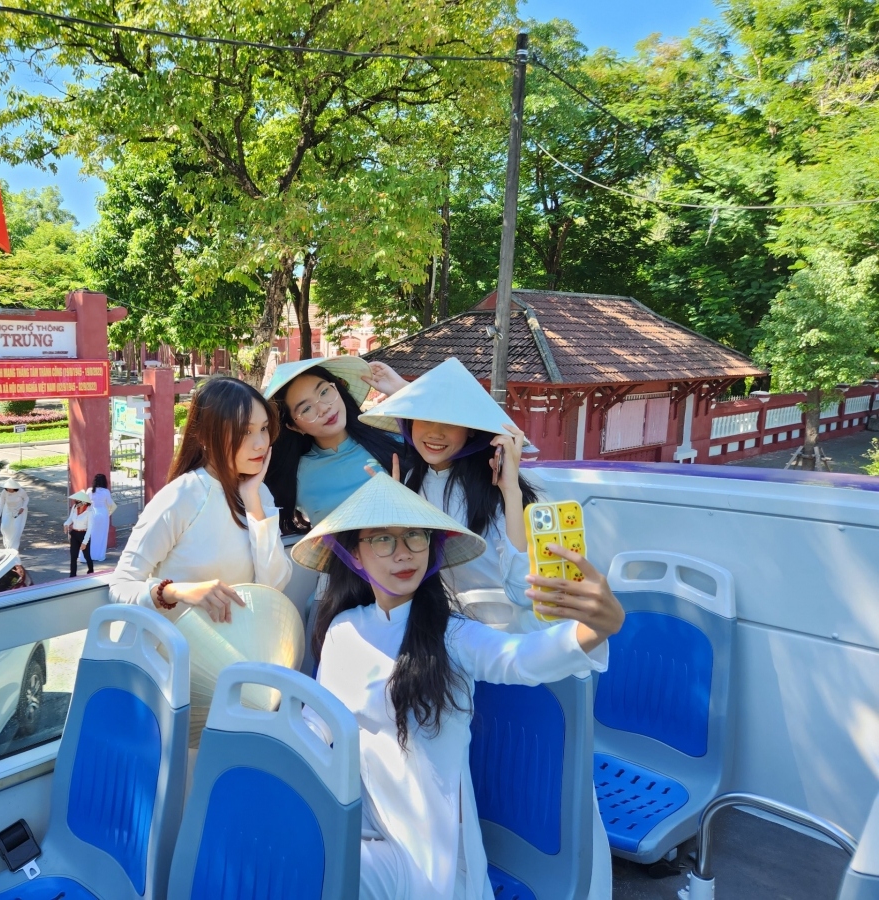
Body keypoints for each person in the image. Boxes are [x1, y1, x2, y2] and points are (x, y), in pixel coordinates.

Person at [292, 473, 624, 900]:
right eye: (382, 539)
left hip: (429, 855)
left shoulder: (452, 636)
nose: (403, 552)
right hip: (361, 825)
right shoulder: (342, 631)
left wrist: (594, 630)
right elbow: (316, 730)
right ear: (354, 554)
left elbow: (519, 659)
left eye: (415, 535)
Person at [360, 357, 540, 628]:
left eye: (450, 423)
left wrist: (511, 491)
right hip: (442, 624)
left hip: (509, 633)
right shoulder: (410, 479)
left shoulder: (496, 487)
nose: (436, 433)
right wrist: (393, 508)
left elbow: (523, 592)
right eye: (424, 420)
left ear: (470, 430)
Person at [106, 376, 291, 622]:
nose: (260, 444)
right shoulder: (181, 497)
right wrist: (176, 591)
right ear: (205, 436)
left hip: (239, 652)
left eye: (264, 428)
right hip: (175, 654)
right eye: (245, 431)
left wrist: (252, 500)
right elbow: (121, 585)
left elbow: (274, 586)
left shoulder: (258, 493)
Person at [262, 356, 409, 534]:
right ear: (293, 426)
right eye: (306, 409)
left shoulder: (396, 441)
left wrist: (404, 390)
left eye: (324, 392)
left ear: (338, 388)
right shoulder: (294, 476)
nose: (324, 408)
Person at [85, 473, 117, 562]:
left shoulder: (89, 490)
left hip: (92, 513)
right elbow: (110, 504)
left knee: (90, 534)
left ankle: (88, 555)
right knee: (102, 535)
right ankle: (99, 555)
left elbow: (85, 503)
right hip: (103, 513)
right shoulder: (106, 492)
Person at [63, 490, 95, 577]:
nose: (76, 503)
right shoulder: (74, 508)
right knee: (73, 556)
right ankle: (72, 575)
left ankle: (91, 571)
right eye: (75, 501)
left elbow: (90, 528)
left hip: (83, 534)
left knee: (87, 555)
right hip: (74, 534)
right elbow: (70, 519)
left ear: (84, 502)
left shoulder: (90, 511)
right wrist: (66, 524)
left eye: (78, 502)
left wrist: (85, 542)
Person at [0, 478, 29, 551]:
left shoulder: (21, 491)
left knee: (16, 528)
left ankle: (14, 547)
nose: (9, 490)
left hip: (19, 511)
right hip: (8, 510)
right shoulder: (4, 492)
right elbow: (1, 504)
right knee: (5, 527)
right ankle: (8, 543)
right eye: (7, 488)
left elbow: (26, 499)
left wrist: (23, 507)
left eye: (11, 488)